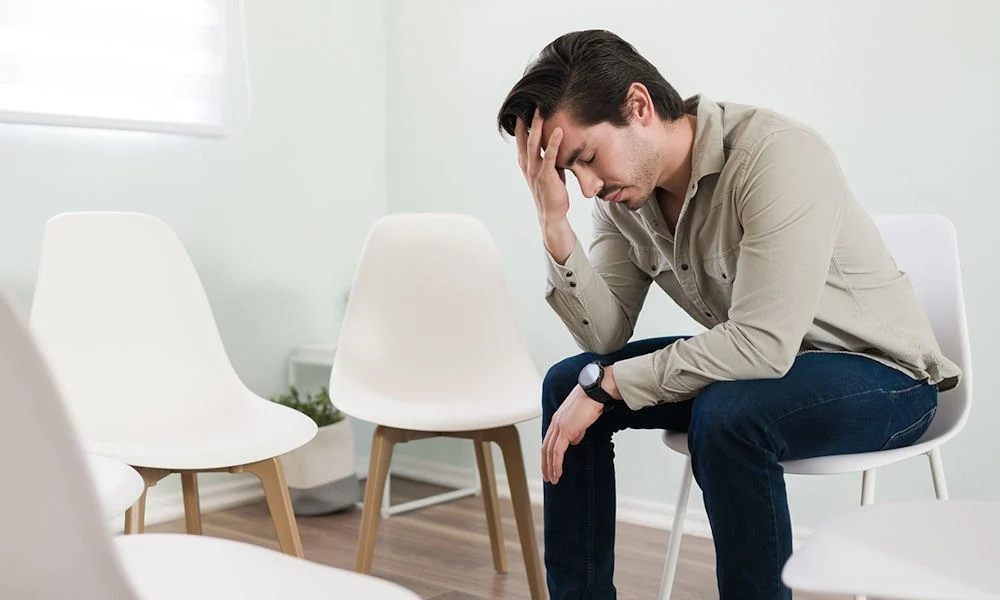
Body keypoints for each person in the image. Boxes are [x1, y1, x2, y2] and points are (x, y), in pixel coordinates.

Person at [496, 29, 961, 600]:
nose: (588, 187)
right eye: (571, 173)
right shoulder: (624, 201)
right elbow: (606, 333)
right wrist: (554, 225)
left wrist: (613, 382)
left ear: (638, 106)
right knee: (570, 382)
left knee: (725, 413)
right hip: (767, 372)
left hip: (885, 378)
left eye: (587, 158)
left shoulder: (776, 155)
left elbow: (762, 345)